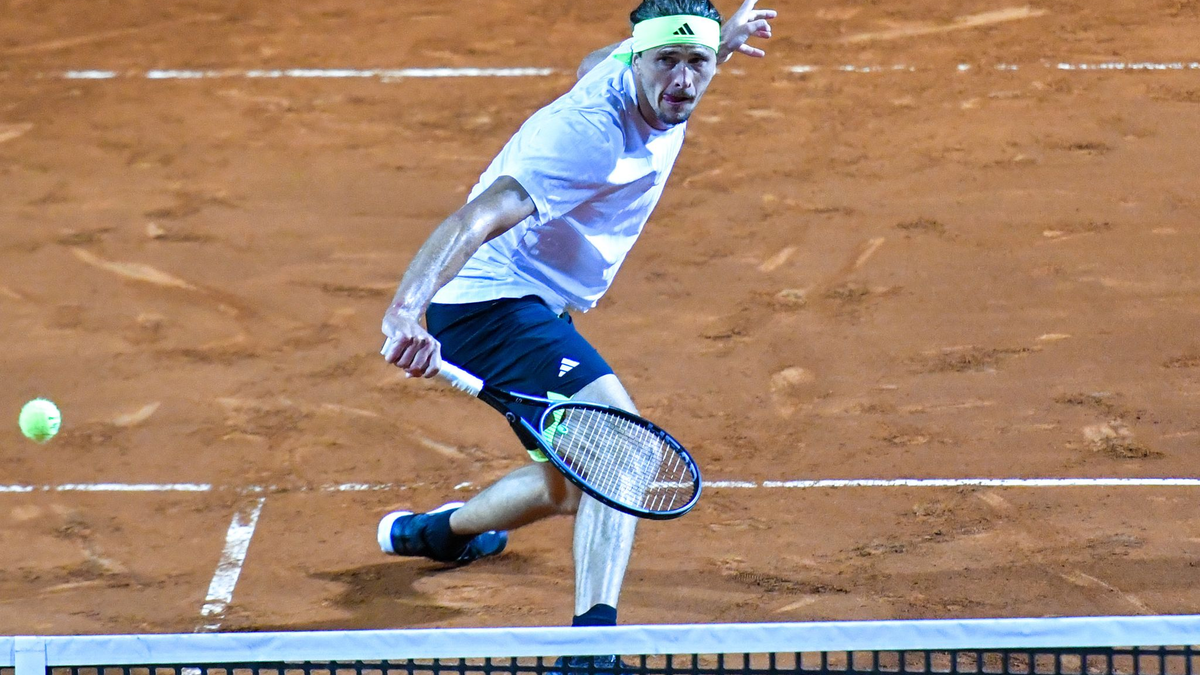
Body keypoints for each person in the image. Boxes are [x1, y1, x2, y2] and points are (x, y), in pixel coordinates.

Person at [378, 0, 776, 632]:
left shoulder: (633, 66)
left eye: (697, 63)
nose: (683, 82)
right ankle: (592, 644)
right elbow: (477, 217)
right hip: (490, 303)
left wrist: (720, 44)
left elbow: (604, 60)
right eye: (667, 63)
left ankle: (438, 533)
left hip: (537, 301)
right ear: (639, 59)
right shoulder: (588, 137)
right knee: (618, 453)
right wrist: (406, 309)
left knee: (569, 486)